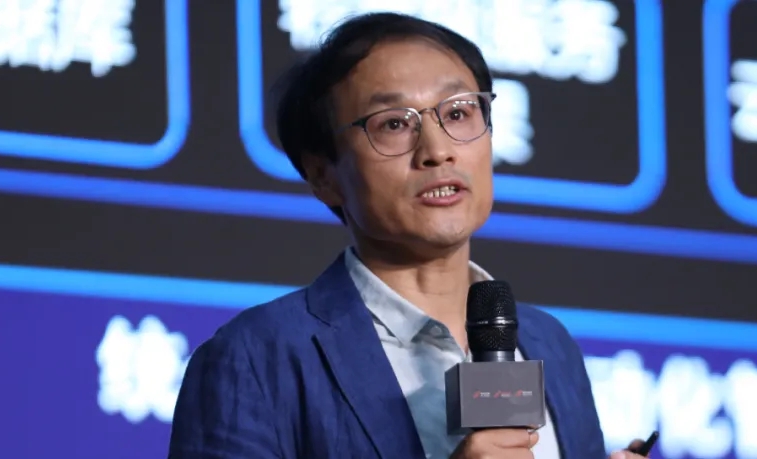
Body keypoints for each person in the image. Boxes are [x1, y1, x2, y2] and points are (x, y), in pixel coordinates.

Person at [167, 12, 650, 459]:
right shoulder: (256, 357)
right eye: (394, 124)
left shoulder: (549, 344)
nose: (438, 151)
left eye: (458, 113)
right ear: (323, 176)